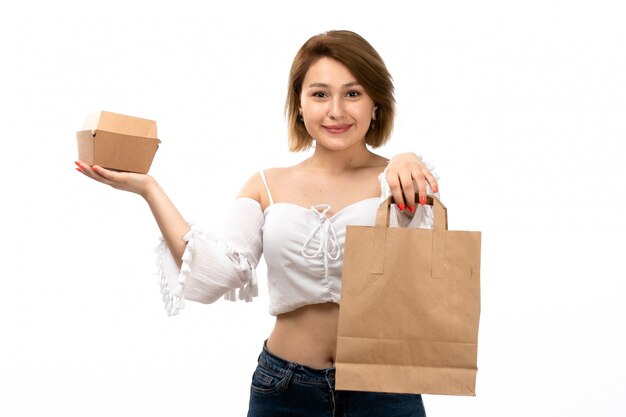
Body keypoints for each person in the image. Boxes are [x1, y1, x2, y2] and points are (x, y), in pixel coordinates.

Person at [76, 30, 439, 417]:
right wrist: (150, 189)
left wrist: (406, 158)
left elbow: (424, 271)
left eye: (352, 94)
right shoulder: (266, 184)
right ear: (299, 105)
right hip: (285, 388)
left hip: (384, 387)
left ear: (375, 104)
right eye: (319, 94)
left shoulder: (401, 179)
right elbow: (219, 274)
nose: (336, 110)